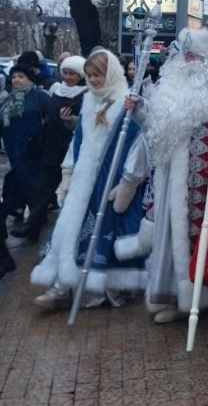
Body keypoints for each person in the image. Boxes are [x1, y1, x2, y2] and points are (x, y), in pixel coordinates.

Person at [118, 28, 208, 324]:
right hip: (169, 182)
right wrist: (138, 109)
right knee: (170, 238)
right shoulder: (169, 90)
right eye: (184, 54)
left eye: (194, 56)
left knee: (202, 239)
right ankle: (178, 298)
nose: (187, 61)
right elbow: (154, 128)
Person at [31, 49, 149, 308]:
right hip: (85, 180)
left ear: (112, 74)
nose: (94, 80)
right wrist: (68, 173)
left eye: (99, 75)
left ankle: (107, 288)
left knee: (105, 234)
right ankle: (62, 287)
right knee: (70, 230)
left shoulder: (125, 102)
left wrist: (129, 181)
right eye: (90, 75)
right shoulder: (89, 101)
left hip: (110, 180)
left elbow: (139, 142)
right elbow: (79, 141)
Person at [9, 55, 86, 245]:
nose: (68, 77)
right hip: (50, 146)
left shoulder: (86, 95)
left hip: (71, 148)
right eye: (65, 73)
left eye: (72, 74)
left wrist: (72, 121)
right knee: (43, 189)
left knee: (72, 191)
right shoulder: (57, 91)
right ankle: (33, 226)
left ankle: (71, 233)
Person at [0, 56, 51, 273]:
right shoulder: (8, 101)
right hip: (14, 150)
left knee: (33, 188)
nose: (17, 80)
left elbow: (51, 121)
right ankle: (28, 220)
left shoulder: (40, 97)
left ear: (29, 79)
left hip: (34, 152)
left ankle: (33, 227)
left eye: (21, 76)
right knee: (19, 183)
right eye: (14, 77)